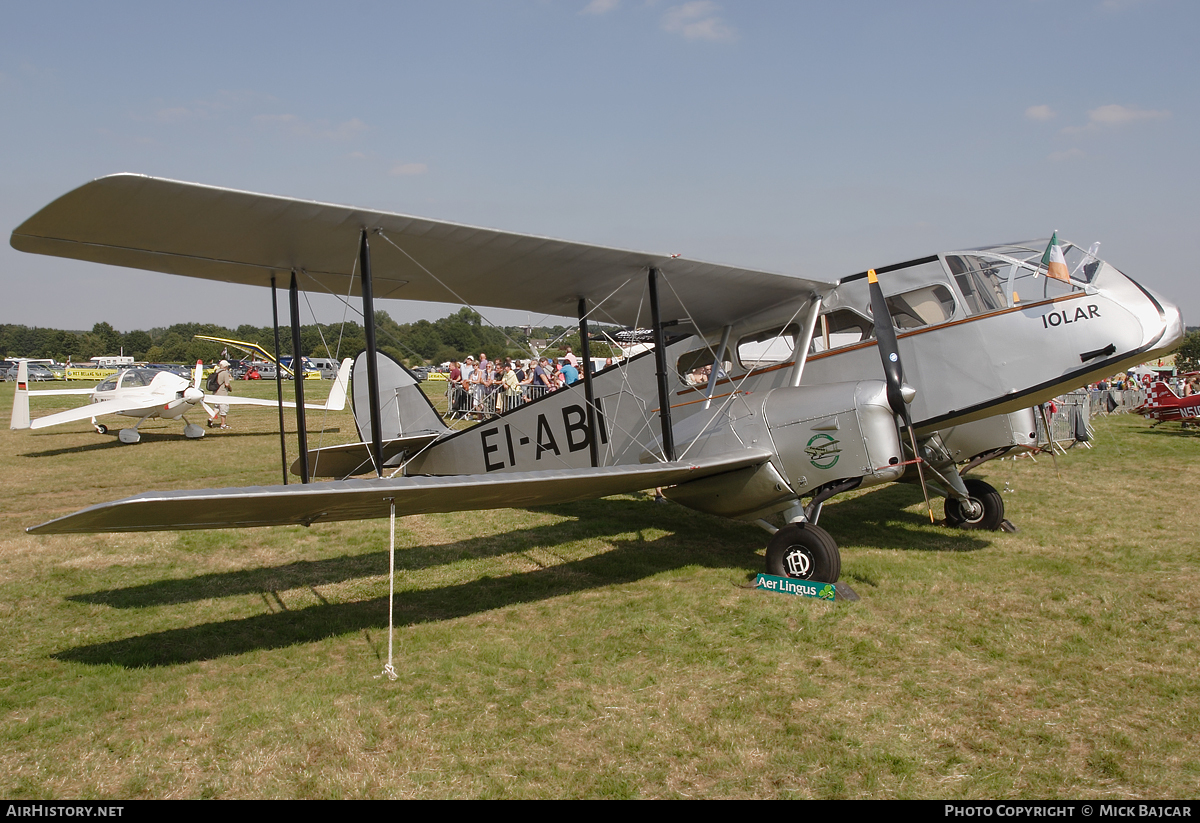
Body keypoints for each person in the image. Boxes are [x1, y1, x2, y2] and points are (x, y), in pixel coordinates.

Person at [213, 359, 234, 429]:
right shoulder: (225, 373)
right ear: (225, 367)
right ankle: (223, 425)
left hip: (215, 392)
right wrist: (230, 388)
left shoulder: (216, 372)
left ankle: (210, 419)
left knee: (216, 407)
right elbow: (227, 384)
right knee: (223, 409)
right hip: (222, 393)